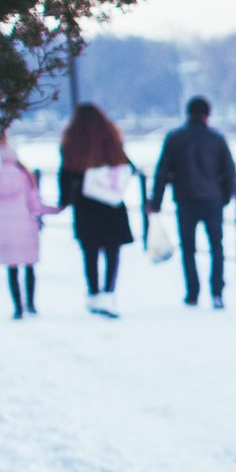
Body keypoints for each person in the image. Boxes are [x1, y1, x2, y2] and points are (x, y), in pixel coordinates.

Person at [149, 95, 236, 308]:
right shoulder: (216, 139)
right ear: (207, 115)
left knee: (188, 249)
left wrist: (156, 202)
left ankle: (192, 292)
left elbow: (162, 172)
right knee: (217, 247)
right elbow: (229, 171)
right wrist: (224, 197)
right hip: (212, 200)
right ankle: (217, 292)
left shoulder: (174, 138)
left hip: (185, 200)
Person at [57, 104, 137, 318]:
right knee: (112, 253)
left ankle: (93, 293)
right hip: (112, 204)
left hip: (86, 207)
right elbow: (129, 166)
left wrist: (64, 200)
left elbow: (65, 175)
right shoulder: (111, 140)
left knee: (90, 253)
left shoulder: (72, 143)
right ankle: (108, 294)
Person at [0, 132, 61, 318]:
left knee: (11, 268)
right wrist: (56, 209)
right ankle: (31, 304)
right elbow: (35, 205)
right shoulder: (24, 176)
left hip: (3, 229)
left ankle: (17, 308)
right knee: (29, 266)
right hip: (25, 226)